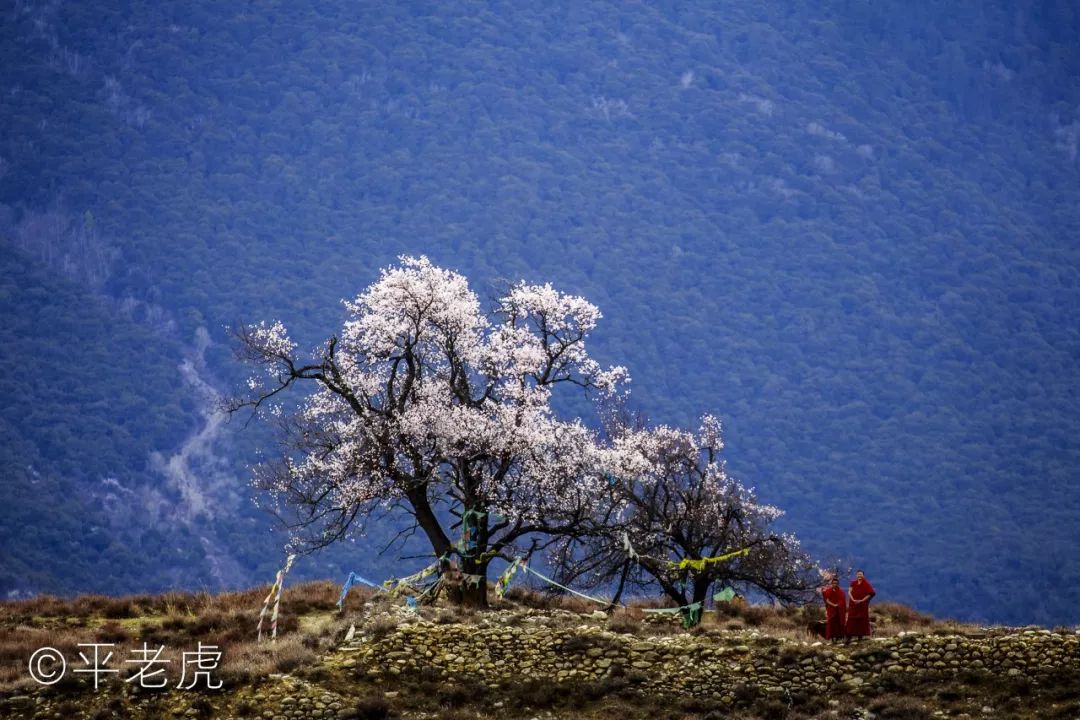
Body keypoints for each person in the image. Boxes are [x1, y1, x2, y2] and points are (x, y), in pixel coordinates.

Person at [845, 570, 876, 640]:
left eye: (861, 574)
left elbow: (870, 593)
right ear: (856, 575)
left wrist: (862, 600)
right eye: (858, 574)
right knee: (851, 619)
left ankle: (860, 636)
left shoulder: (866, 584)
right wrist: (853, 599)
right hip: (853, 604)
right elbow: (849, 592)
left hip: (862, 605)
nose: (859, 576)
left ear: (863, 575)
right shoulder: (853, 583)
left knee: (861, 620)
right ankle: (849, 636)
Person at [821, 575, 846, 642]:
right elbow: (827, 600)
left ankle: (839, 637)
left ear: (838, 584)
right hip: (831, 609)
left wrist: (838, 605)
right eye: (833, 583)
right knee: (831, 623)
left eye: (836, 583)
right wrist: (833, 605)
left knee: (838, 623)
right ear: (832, 584)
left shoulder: (841, 591)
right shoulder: (828, 591)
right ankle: (832, 638)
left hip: (839, 610)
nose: (835, 584)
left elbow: (842, 600)